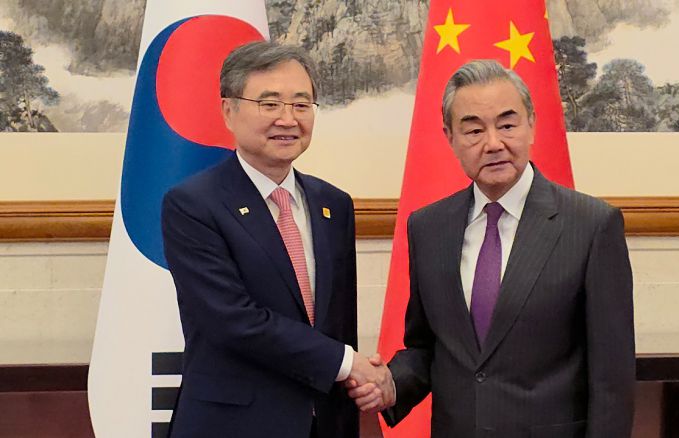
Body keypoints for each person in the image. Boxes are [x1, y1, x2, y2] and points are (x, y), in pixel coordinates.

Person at [349, 59, 635, 437]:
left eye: (507, 125)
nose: (494, 143)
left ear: (531, 124)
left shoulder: (591, 226)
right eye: (473, 130)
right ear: (450, 137)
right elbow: (427, 347)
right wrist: (391, 382)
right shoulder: (429, 227)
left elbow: (612, 378)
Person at [161, 41, 386, 438]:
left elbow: (337, 324)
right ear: (228, 111)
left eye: (301, 104)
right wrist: (347, 362)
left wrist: (357, 381)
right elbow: (233, 320)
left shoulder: (333, 204)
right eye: (270, 104)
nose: (288, 119)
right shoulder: (193, 205)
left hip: (325, 422)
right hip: (233, 425)